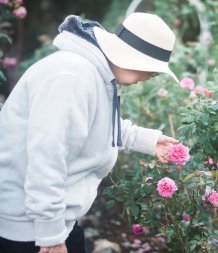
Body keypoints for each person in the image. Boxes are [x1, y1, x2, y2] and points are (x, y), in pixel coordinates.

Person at [0, 12, 179, 253]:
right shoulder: (72, 78)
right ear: (136, 58)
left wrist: (146, 140)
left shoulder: (95, 74)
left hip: (50, 222)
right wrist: (50, 238)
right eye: (153, 70)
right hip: (28, 229)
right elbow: (47, 159)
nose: (150, 77)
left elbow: (97, 126)